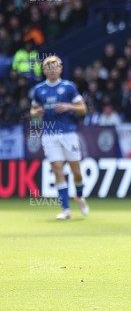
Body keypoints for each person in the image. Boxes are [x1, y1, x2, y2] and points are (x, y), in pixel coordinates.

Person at [30, 56, 90, 220]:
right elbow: (33, 111)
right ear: (44, 70)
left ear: (60, 69)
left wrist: (68, 106)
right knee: (57, 169)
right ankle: (66, 209)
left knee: (76, 172)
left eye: (54, 66)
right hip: (49, 135)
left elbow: (83, 109)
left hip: (68, 134)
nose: (51, 69)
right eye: (48, 67)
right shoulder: (39, 89)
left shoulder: (69, 87)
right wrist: (37, 113)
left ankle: (79, 196)